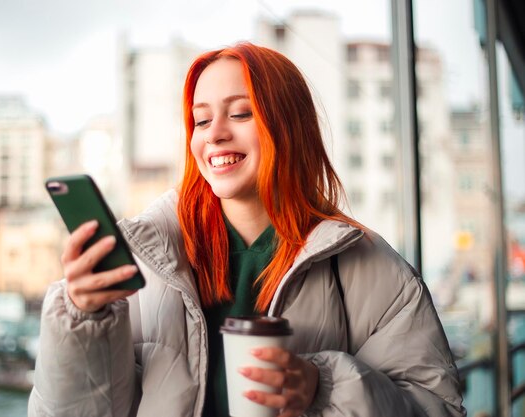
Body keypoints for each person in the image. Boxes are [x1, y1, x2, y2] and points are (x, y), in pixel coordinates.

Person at [28, 42, 465, 417]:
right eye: (200, 121)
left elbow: (436, 406)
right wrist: (81, 321)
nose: (214, 134)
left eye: (240, 113)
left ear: (289, 128)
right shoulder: (150, 259)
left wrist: (323, 386)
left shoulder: (370, 267)